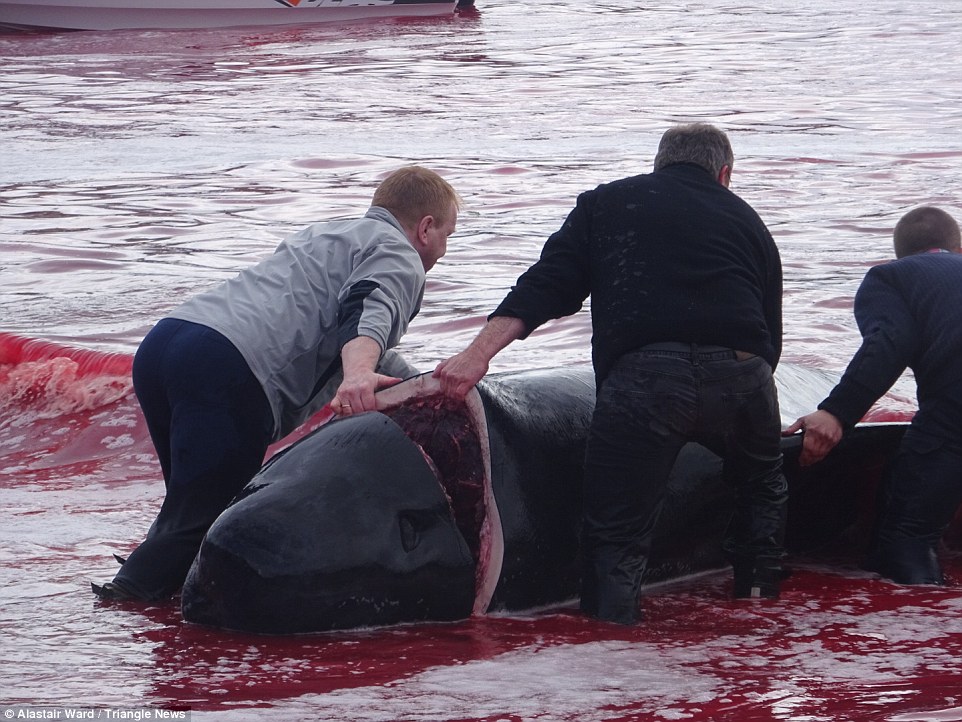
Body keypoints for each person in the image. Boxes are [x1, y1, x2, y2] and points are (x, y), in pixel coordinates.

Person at [433, 123, 788, 624]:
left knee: (617, 534)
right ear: (724, 173)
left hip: (646, 379)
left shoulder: (609, 204)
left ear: (659, 163)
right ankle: (757, 607)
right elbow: (769, 338)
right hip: (742, 375)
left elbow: (546, 286)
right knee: (762, 486)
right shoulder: (749, 221)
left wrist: (476, 356)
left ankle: (612, 645)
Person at [93, 165, 460, 602]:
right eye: (447, 236)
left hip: (169, 341)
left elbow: (344, 331)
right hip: (228, 366)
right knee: (205, 516)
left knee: (190, 508)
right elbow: (367, 310)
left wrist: (418, 383)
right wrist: (361, 374)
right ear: (425, 227)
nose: (442, 249)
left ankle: (161, 594)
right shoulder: (400, 255)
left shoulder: (329, 234)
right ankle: (121, 616)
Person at [785, 206, 962, 586]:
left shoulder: (892, 278)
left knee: (905, 542)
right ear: (956, 247)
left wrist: (835, 413)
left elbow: (890, 344)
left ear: (902, 253)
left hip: (953, 413)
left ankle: (922, 623)